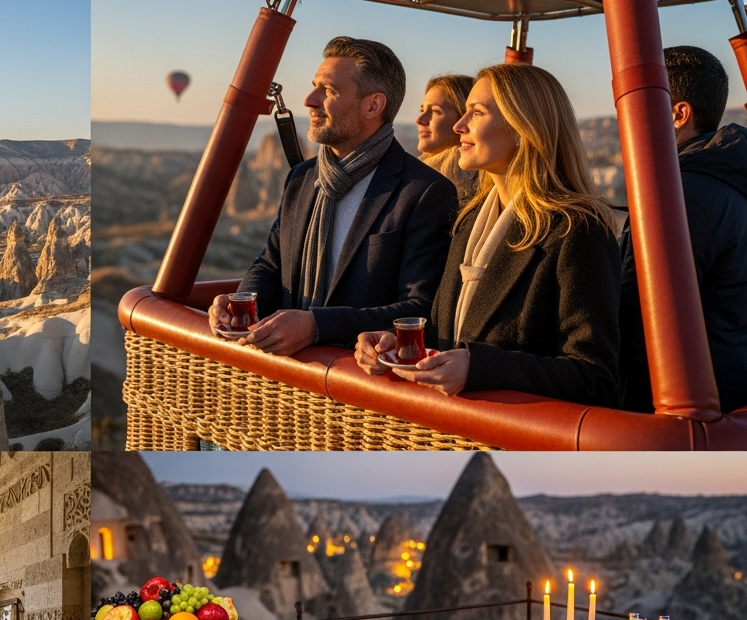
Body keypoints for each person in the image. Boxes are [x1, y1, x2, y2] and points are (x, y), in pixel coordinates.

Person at [354, 64, 621, 407]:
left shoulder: (577, 230)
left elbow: (595, 376)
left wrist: (479, 367)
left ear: (524, 127)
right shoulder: (469, 221)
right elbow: (448, 336)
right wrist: (398, 345)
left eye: (476, 113)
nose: (458, 126)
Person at [210, 36, 456, 353]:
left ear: (373, 105)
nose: (309, 100)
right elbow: (271, 266)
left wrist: (316, 326)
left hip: (356, 385)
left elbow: (419, 309)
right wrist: (241, 302)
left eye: (328, 91)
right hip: (285, 381)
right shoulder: (301, 178)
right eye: (315, 87)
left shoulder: (424, 192)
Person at [619, 46, 747, 414]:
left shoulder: (682, 194)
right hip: (730, 388)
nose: (622, 120)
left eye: (632, 104)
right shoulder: (727, 178)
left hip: (682, 405)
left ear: (679, 114)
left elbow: (639, 313)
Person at [416, 74, 478, 202]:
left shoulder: (434, 185)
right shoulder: (418, 171)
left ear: (463, 118)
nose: (420, 120)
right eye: (423, 110)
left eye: (435, 111)